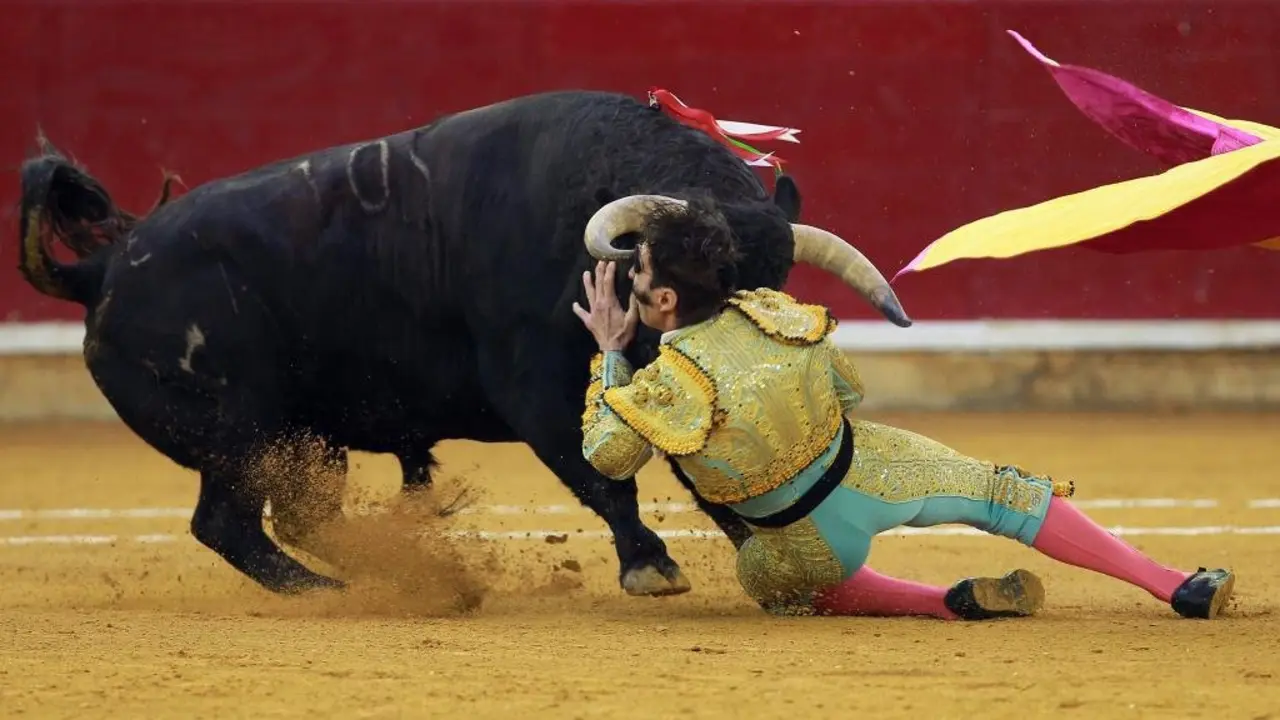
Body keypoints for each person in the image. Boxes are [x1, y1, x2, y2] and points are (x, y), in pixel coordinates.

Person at [571, 196, 1235, 620]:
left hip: (801, 541)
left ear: (662, 305)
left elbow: (610, 455)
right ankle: (1175, 584)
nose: (630, 280)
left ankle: (942, 605)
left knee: (777, 582)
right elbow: (848, 391)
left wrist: (610, 352)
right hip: (876, 471)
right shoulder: (776, 314)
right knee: (1005, 493)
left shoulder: (665, 385)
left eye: (637, 273)